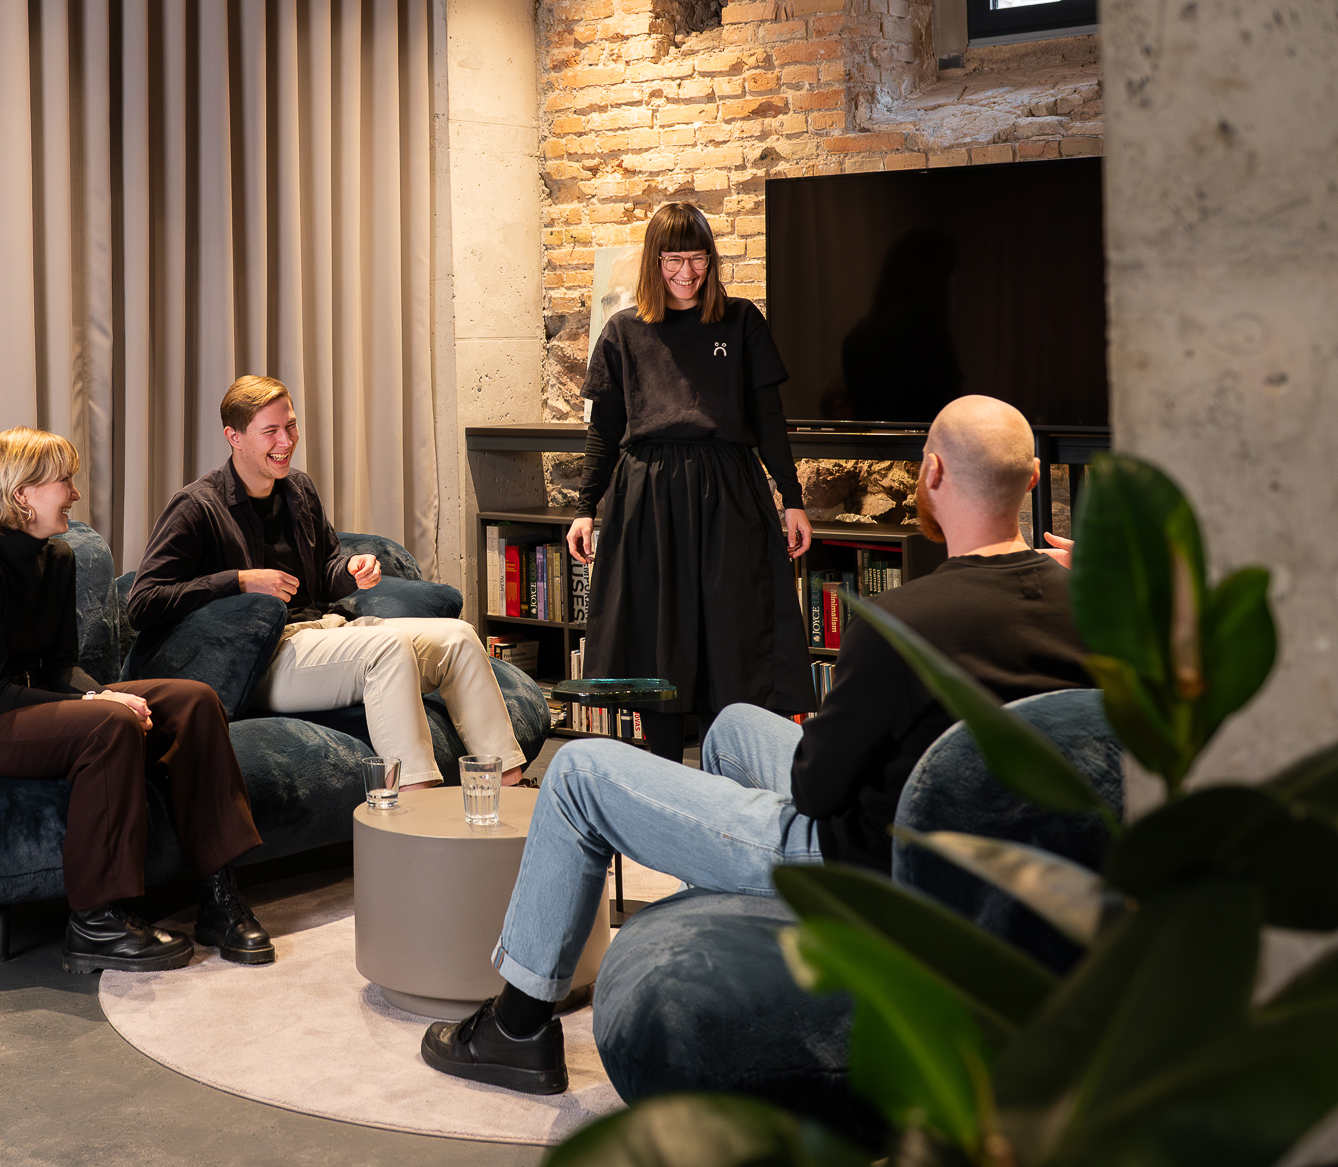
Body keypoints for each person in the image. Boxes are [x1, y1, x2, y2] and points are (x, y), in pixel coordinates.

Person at [422, 395, 1094, 1095]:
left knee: (577, 772)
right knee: (736, 724)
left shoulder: (902, 623)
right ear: (1034, 479)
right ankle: (720, 915)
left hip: (868, 866)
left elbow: (817, 791)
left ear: (932, 472)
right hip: (998, 862)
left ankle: (516, 1029)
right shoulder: (1094, 610)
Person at [0, 427, 272, 974]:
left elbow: (62, 665)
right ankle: (96, 922)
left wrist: (102, 693)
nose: (75, 493)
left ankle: (217, 896)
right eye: (64, 481)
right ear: (21, 494)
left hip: (28, 701)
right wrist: (100, 705)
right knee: (108, 725)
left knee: (195, 702)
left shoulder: (58, 558)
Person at [127, 376, 527, 790]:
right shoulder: (197, 506)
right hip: (259, 657)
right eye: (270, 431)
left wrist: (351, 569)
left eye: (291, 426)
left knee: (460, 637)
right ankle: (413, 803)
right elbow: (143, 603)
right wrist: (239, 582)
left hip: (324, 634)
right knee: (387, 647)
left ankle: (510, 788)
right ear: (235, 437)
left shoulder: (298, 489)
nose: (286, 441)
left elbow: (324, 572)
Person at [570, 203, 815, 757]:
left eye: (697, 258)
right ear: (654, 262)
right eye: (673, 260)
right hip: (648, 497)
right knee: (657, 638)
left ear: (712, 259)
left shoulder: (741, 320)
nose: (686, 272)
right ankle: (663, 781)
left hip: (730, 491)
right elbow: (604, 429)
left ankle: (728, 778)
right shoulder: (623, 331)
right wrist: (585, 507)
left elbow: (769, 419)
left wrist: (792, 499)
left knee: (734, 636)